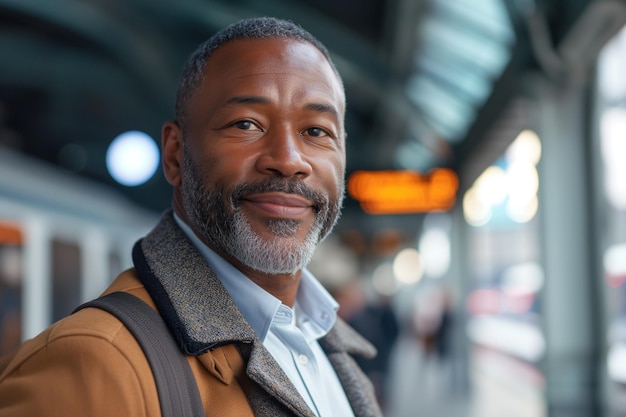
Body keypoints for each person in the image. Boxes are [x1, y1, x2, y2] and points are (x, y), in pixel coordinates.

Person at [0, 17, 382, 417]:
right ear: (175, 154)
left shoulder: (330, 349)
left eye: (317, 131)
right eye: (246, 124)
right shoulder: (93, 365)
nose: (288, 160)